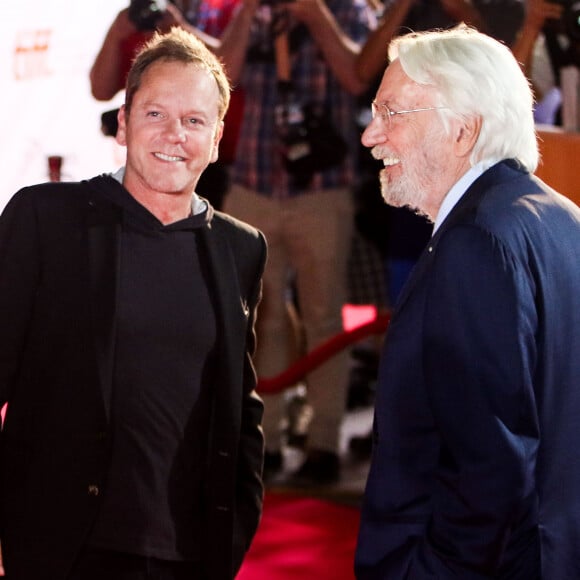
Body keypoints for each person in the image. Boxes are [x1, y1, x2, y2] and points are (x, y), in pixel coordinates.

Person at [0, 27, 266, 580]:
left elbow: (241, 410)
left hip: (186, 555)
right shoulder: (45, 220)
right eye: (155, 114)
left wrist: (235, 528)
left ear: (217, 138)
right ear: (122, 125)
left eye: (194, 120)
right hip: (60, 549)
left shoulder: (241, 248)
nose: (175, 134)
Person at [355, 25, 580, 579]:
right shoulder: (561, 217)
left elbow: (491, 463)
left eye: (391, 114)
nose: (370, 136)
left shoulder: (476, 241)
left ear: (462, 131)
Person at [217, 0, 375, 485]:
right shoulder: (255, 11)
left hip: (322, 187)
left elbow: (356, 77)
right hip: (253, 179)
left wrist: (313, 15)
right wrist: (246, 13)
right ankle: (267, 439)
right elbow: (224, 73)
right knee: (259, 317)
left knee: (323, 316)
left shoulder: (350, 11)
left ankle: (323, 440)